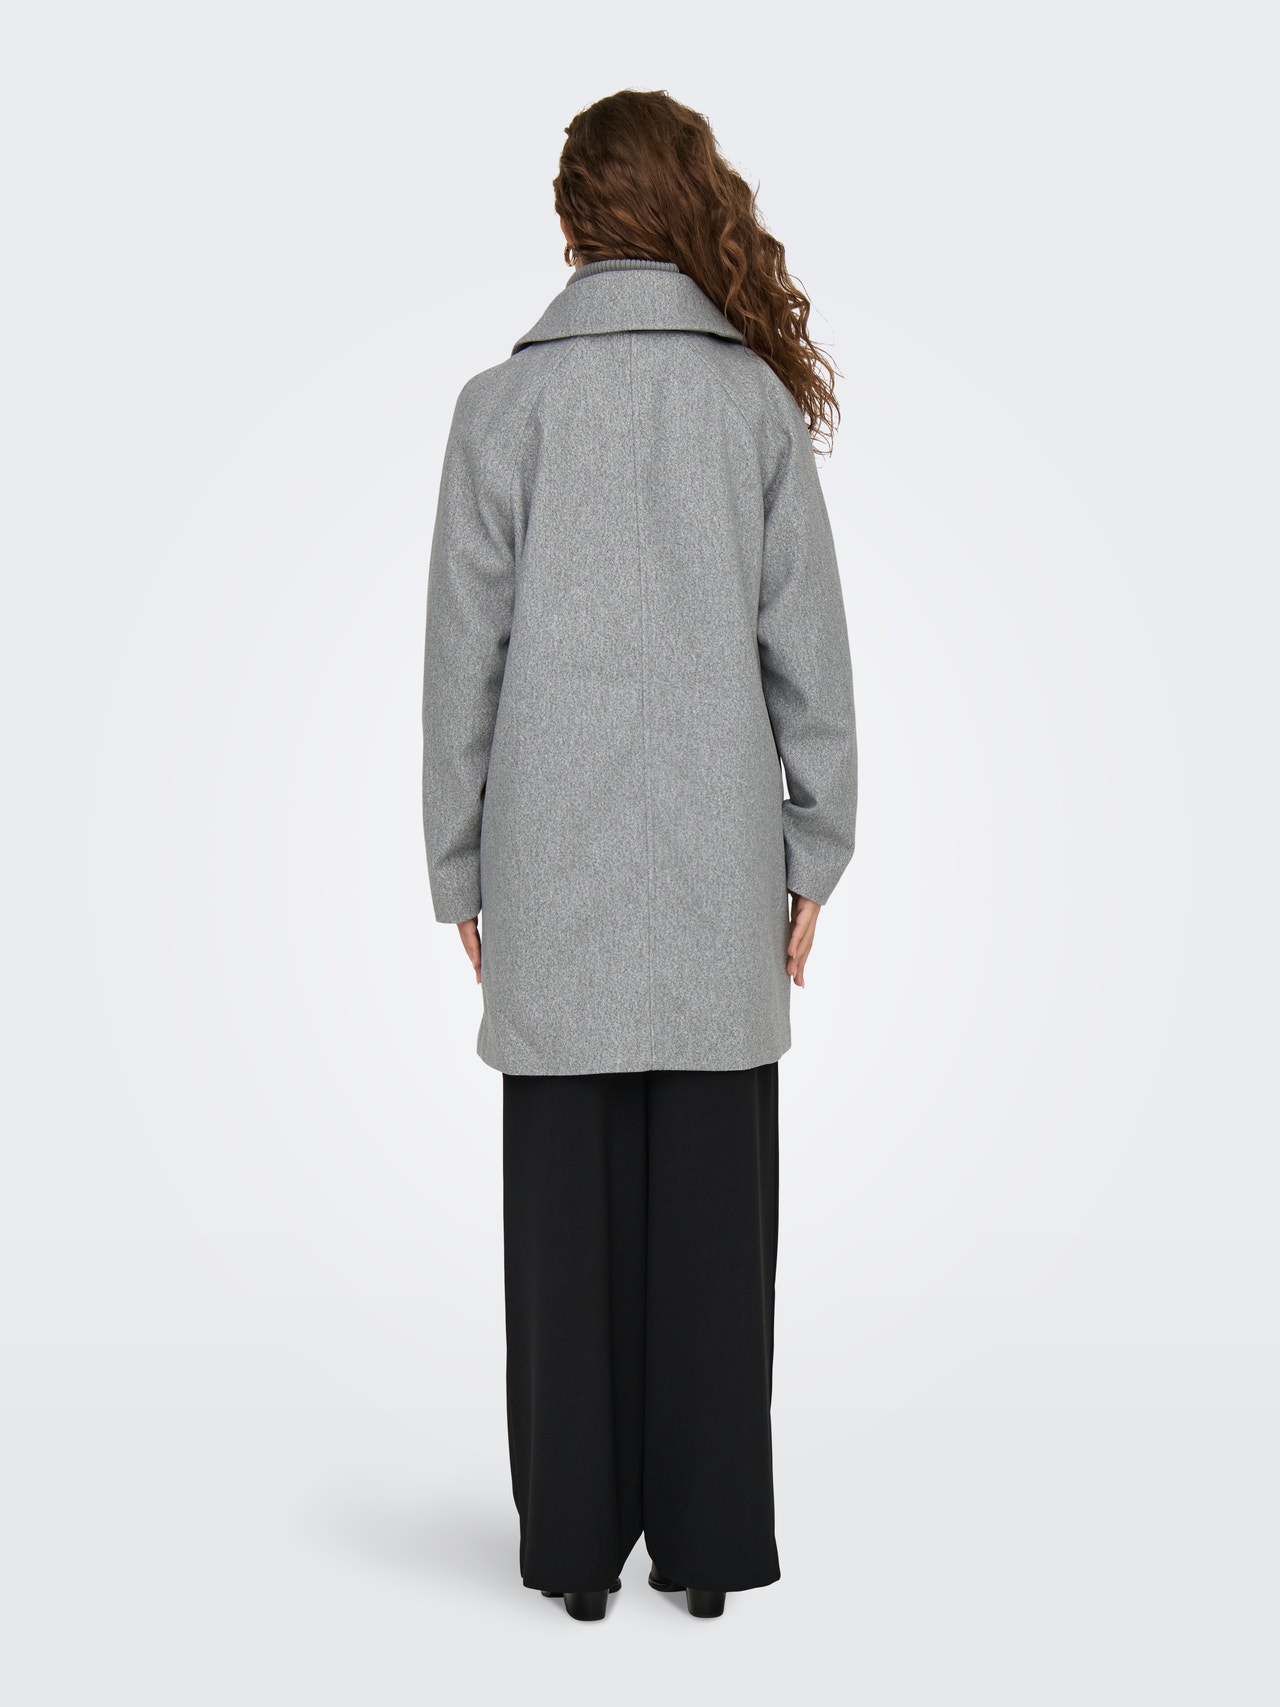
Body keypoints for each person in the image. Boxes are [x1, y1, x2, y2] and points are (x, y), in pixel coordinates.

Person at [420, 88, 858, 1622]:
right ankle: (709, 1550)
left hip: (549, 872)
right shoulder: (748, 406)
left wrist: (460, 870)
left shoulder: (502, 408)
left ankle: (574, 1557)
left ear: (570, 226)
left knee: (563, 1232)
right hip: (724, 871)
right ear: (685, 208)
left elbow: (462, 669)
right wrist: (815, 853)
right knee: (717, 1230)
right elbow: (811, 658)